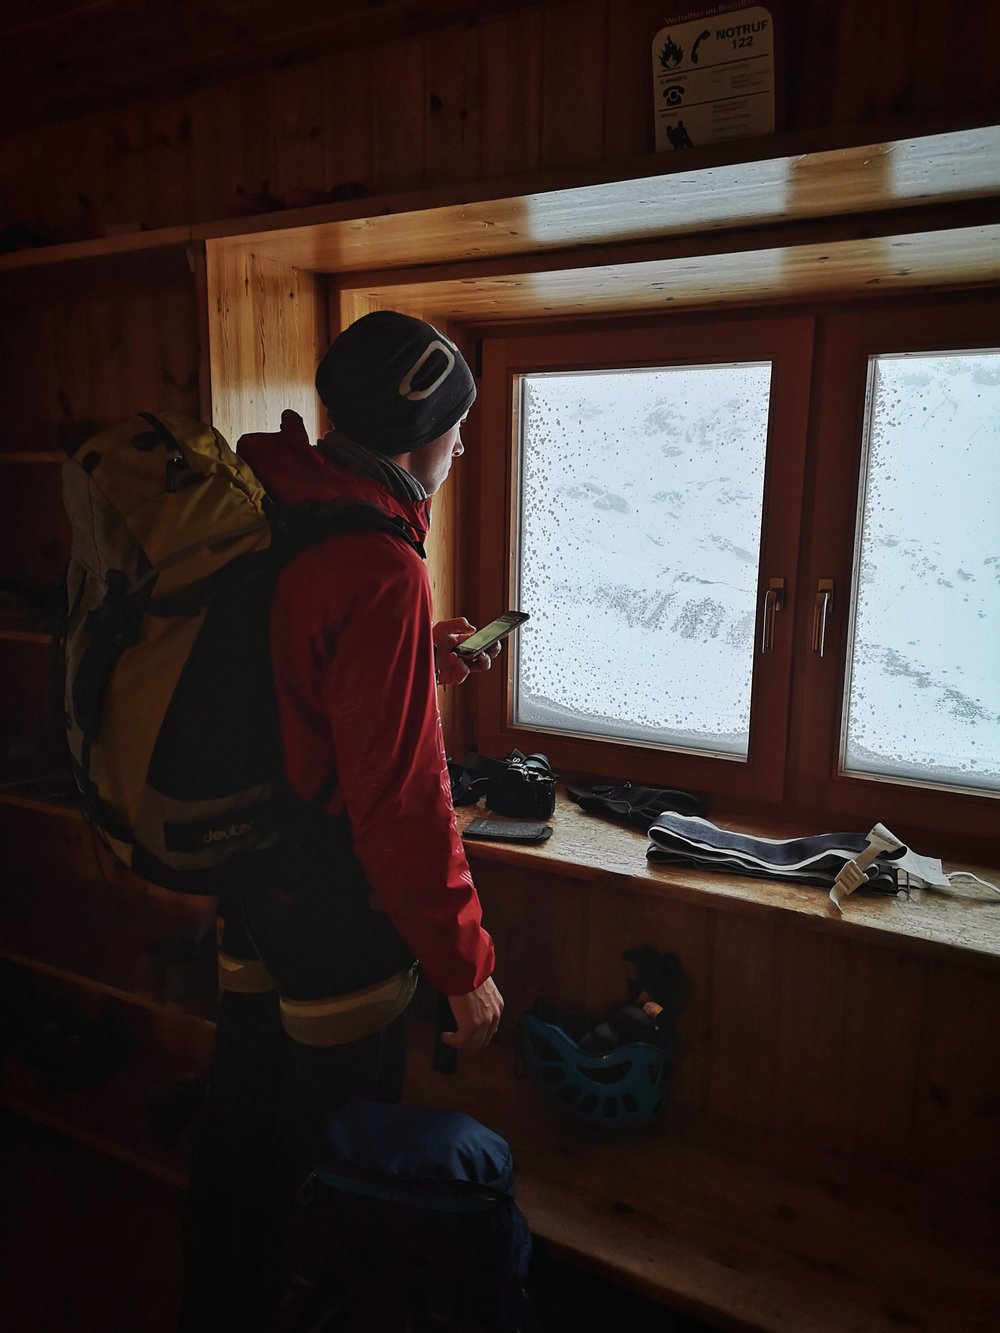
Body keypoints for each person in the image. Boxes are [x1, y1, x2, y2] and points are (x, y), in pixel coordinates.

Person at [179, 311, 503, 1330]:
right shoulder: (380, 564)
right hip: (331, 906)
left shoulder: (277, 504)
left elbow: (284, 681)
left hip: (248, 877)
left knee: (240, 1135)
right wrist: (464, 964)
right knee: (331, 1162)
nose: (462, 450)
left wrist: (429, 661)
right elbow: (402, 804)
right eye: (459, 430)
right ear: (424, 436)